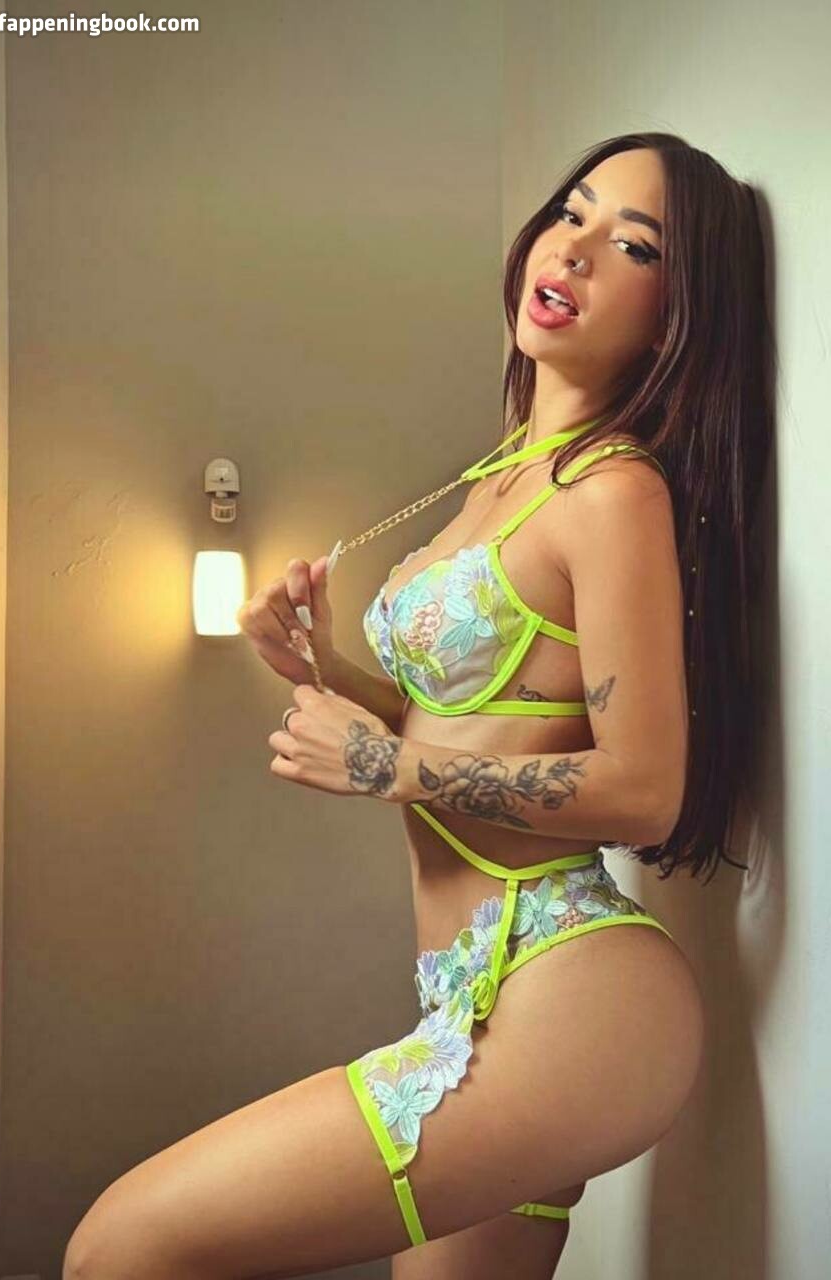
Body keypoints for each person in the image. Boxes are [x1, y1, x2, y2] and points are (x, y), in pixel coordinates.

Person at [64, 132, 772, 1280]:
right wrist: (323, 667)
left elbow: (646, 788)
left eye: (634, 245)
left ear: (675, 315)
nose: (575, 249)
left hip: (572, 983)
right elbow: (480, 715)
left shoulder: (613, 491)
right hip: (469, 995)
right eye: (573, 212)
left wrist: (389, 767)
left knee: (120, 1243)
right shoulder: (501, 474)